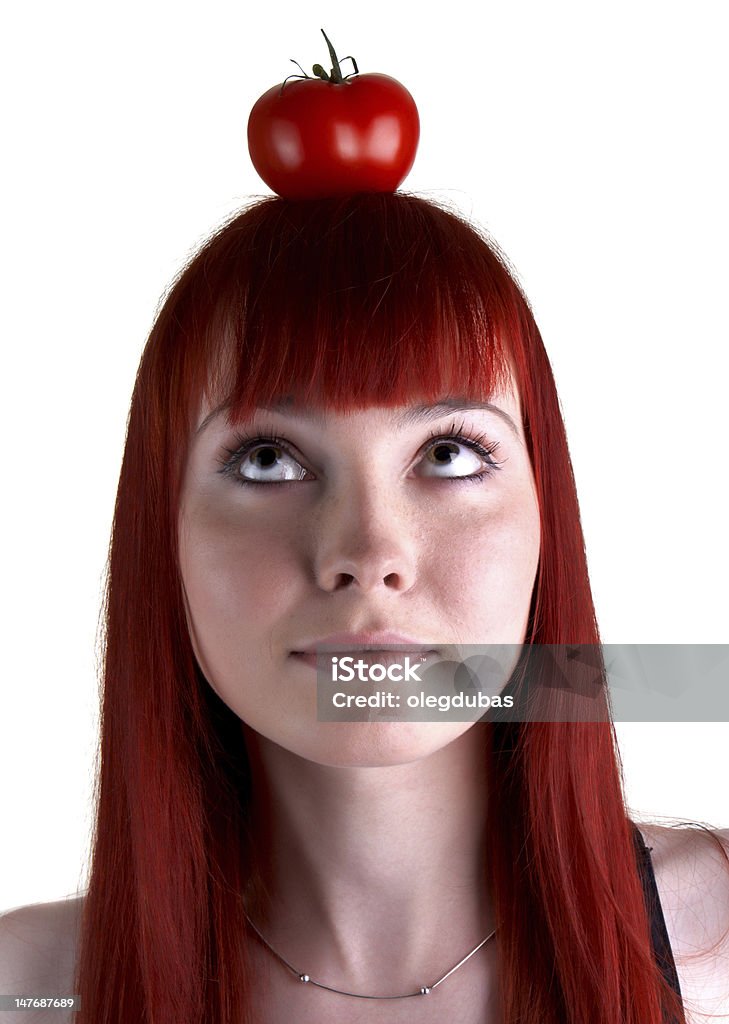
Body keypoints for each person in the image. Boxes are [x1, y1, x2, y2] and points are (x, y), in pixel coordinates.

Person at [1, 191, 727, 1024]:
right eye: (268, 459)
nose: (370, 554)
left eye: (449, 453)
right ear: (159, 529)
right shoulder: (28, 992)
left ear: (544, 511)